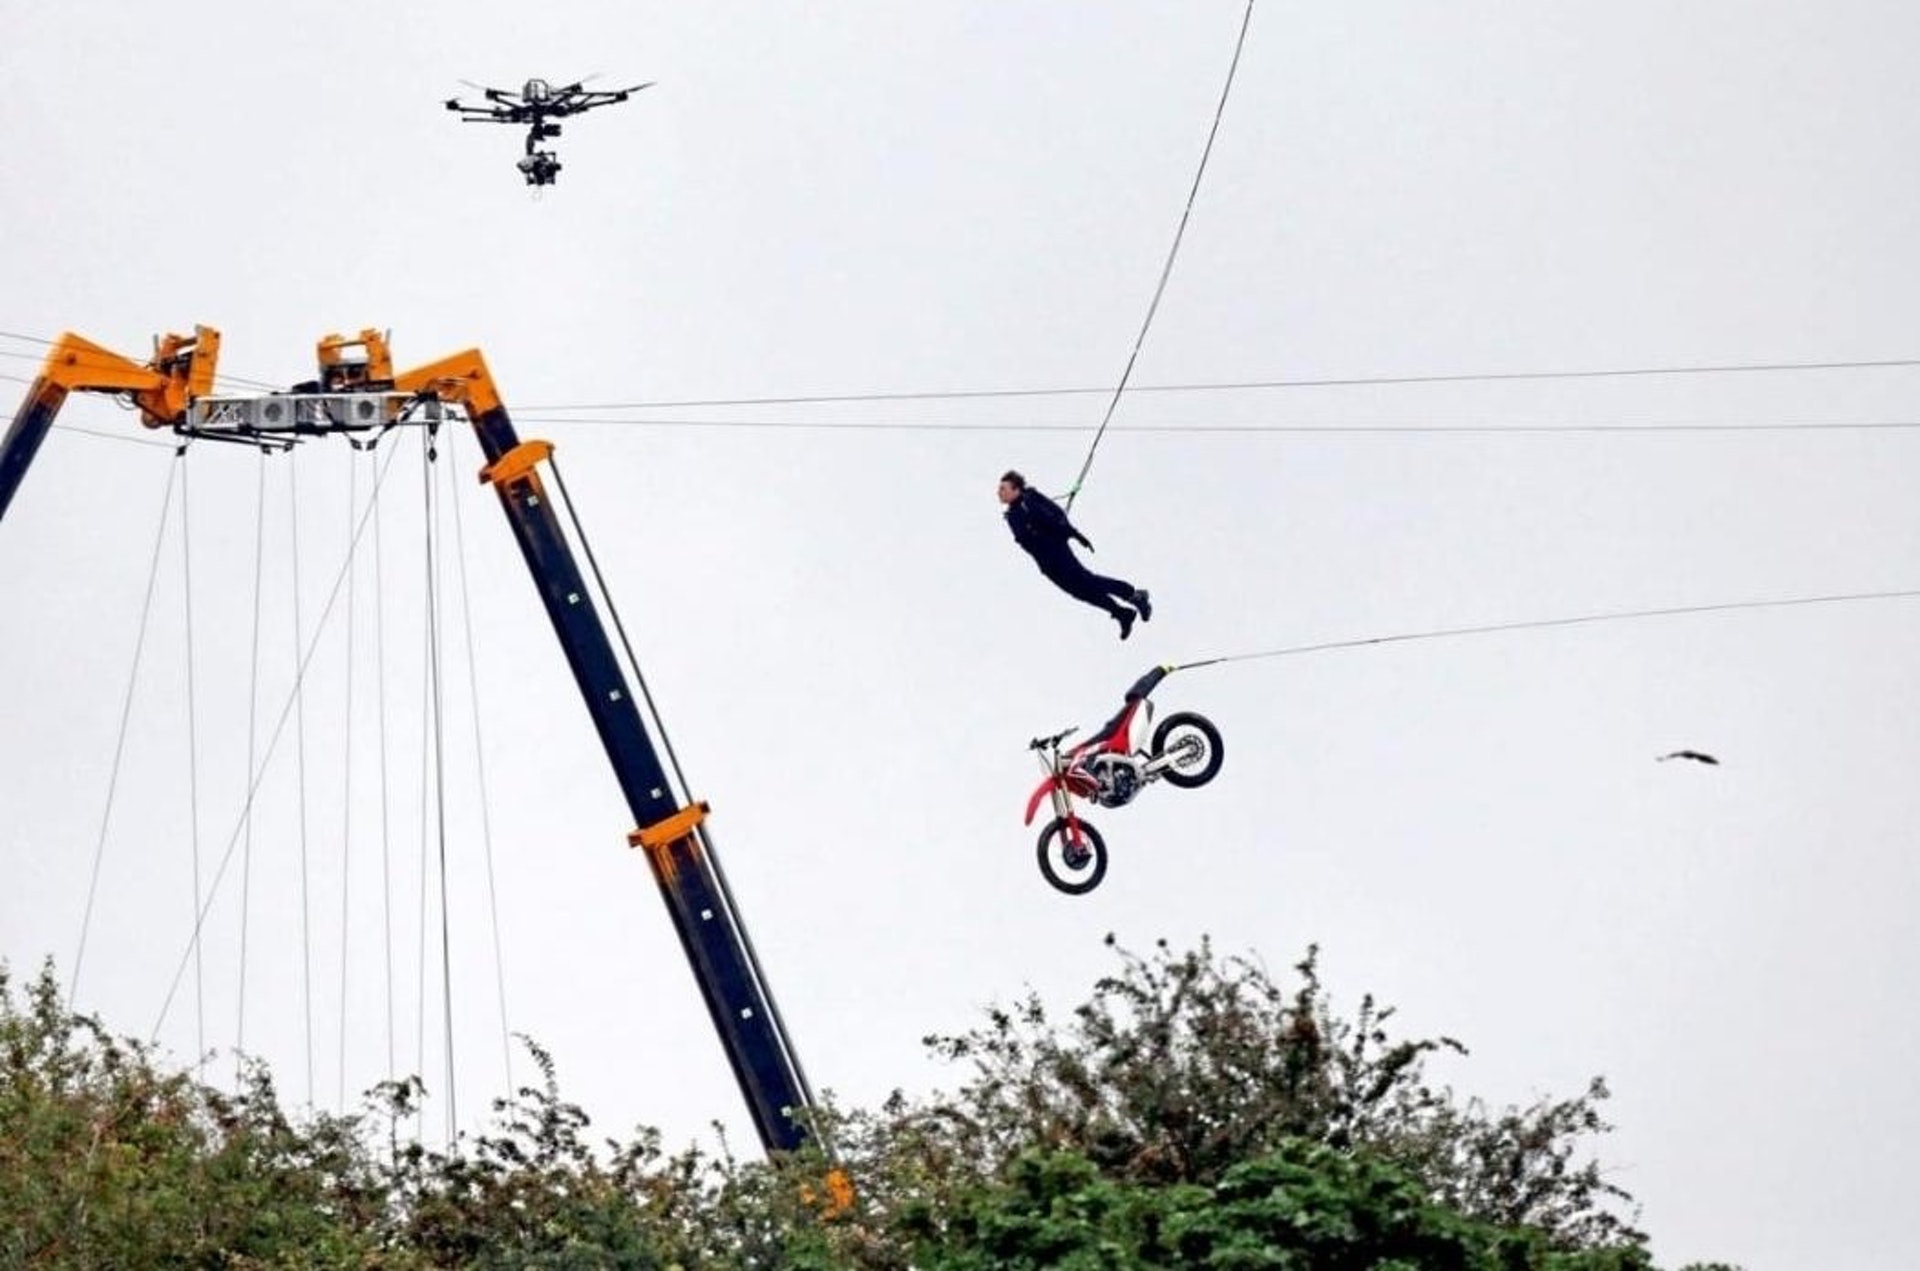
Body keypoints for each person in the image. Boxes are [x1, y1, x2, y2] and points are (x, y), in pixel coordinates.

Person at [998, 470, 1152, 639]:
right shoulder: (1012, 514)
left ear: (1016, 489)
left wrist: (1074, 534)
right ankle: (1122, 613)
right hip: (1046, 563)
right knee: (1080, 592)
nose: (999, 493)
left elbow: (1056, 516)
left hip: (1058, 553)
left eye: (1003, 488)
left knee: (1089, 581)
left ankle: (1134, 595)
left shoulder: (1029, 500)